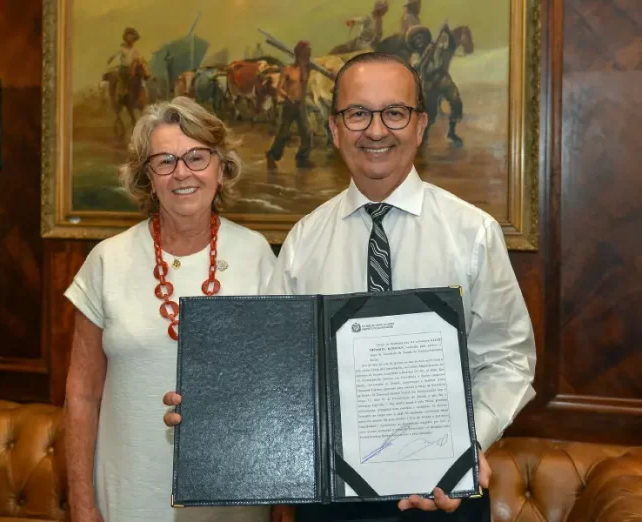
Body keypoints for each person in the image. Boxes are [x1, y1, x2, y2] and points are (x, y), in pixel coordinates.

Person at [164, 52, 536, 521]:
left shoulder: (473, 233)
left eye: (394, 113)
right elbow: (279, 370)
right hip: (329, 504)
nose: (376, 130)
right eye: (358, 113)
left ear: (420, 126)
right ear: (335, 129)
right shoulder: (303, 240)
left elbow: (507, 359)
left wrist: (463, 448)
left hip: (443, 497)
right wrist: (214, 409)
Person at [64, 96, 276, 522]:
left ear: (221, 166)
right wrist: (82, 504)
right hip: (129, 492)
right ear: (148, 176)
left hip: (231, 497)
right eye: (165, 161)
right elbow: (81, 395)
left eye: (197, 157)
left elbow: (278, 388)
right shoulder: (108, 260)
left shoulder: (257, 256)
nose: (183, 172)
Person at [266, 40, 315, 170]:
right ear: (299, 54)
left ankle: (302, 159)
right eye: (306, 53)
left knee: (307, 133)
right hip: (289, 105)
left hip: (301, 105)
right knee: (283, 133)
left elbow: (309, 77)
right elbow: (279, 88)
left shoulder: (307, 69)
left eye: (309, 53)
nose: (308, 55)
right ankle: (272, 155)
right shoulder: (288, 69)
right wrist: (288, 97)